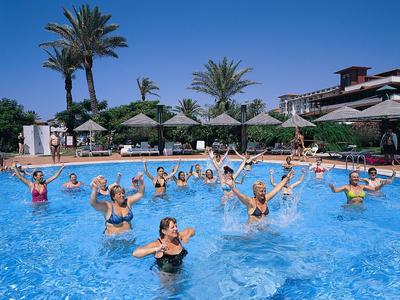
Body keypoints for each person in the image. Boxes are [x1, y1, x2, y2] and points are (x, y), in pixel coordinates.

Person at [226, 170, 294, 223]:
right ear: (255, 192)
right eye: (261, 191)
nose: (263, 193)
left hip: (263, 230)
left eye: (264, 191)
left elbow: (277, 189)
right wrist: (232, 187)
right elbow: (240, 195)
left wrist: (287, 178)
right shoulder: (250, 202)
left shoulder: (266, 199)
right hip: (251, 232)